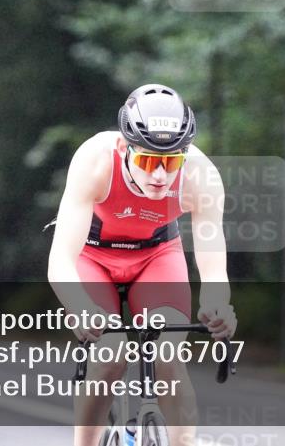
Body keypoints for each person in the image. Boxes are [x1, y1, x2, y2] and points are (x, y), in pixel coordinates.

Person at [48, 84, 236, 446]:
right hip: (94, 256)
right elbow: (60, 259)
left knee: (168, 354)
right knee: (111, 354)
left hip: (156, 256)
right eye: (149, 161)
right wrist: (80, 308)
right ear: (124, 148)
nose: (160, 176)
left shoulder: (202, 175)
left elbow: (213, 265)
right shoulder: (95, 159)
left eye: (172, 161)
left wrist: (218, 306)